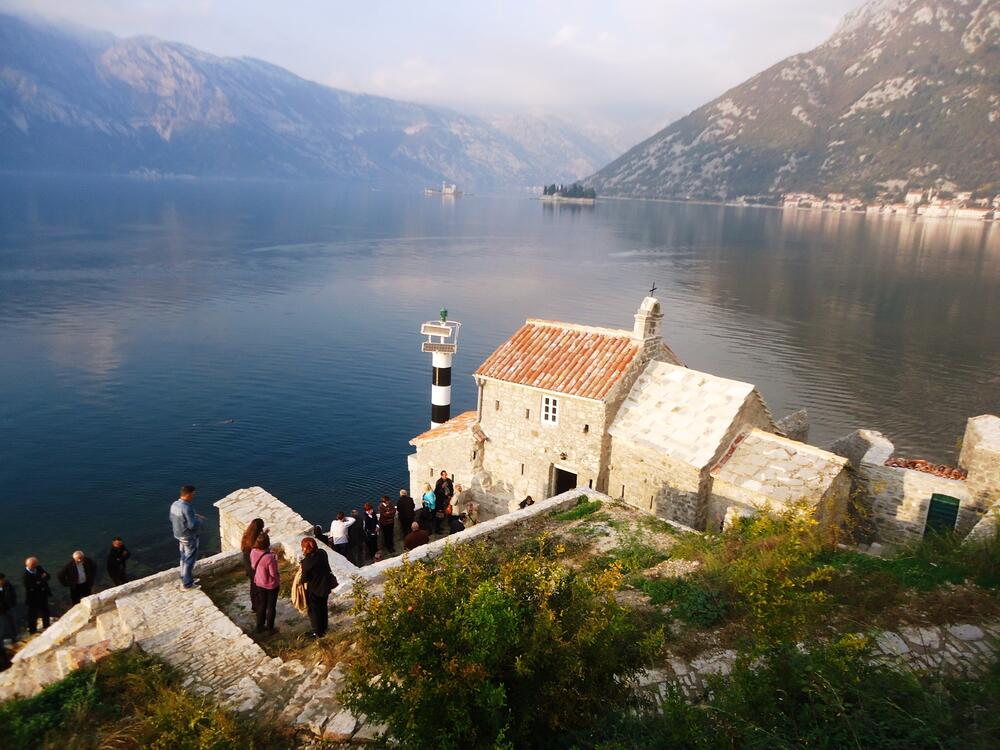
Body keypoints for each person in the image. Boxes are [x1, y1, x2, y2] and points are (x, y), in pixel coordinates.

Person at [299, 537, 336, 637]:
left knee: (314, 611)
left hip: (314, 589)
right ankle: (324, 627)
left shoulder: (307, 562)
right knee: (323, 607)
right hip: (325, 585)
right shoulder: (322, 553)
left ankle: (318, 632)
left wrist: (302, 566)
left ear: (305, 549)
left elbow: (304, 579)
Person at [169, 485, 202, 591]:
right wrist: (199, 520)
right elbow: (192, 525)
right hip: (189, 537)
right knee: (190, 559)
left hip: (179, 536)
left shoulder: (174, 504)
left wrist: (193, 516)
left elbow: (171, 518)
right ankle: (187, 584)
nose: (193, 496)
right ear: (188, 494)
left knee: (183, 557)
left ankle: (185, 578)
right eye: (193, 494)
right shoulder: (187, 507)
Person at [250, 533, 280, 635]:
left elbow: (253, 566)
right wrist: (275, 560)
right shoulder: (270, 558)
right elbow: (273, 573)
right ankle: (270, 629)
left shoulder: (253, 552)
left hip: (259, 582)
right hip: (271, 585)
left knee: (262, 604)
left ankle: (259, 627)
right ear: (267, 543)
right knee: (271, 607)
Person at [240, 518, 265, 612]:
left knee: (253, 585)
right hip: (254, 564)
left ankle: (255, 605)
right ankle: (259, 606)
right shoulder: (256, 539)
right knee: (258, 586)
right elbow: (260, 549)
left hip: (247, 562)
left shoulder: (246, 536)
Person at [23, 557, 51, 634]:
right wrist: (41, 579)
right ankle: (33, 631)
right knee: (33, 615)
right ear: (28, 565)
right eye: (33, 565)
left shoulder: (39, 568)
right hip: (33, 598)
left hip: (43, 594)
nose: (35, 566)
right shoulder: (25, 575)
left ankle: (47, 626)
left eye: (35, 564)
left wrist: (39, 581)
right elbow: (31, 586)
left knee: (45, 611)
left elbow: (48, 576)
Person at [0, 574, 17, 643]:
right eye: (1, 580)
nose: (3, 581)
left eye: (3, 579)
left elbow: (13, 594)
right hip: (1, 611)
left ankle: (14, 639)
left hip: (9, 608)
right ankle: (1, 646)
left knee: (13, 624)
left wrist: (13, 604)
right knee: (1, 628)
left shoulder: (8, 585)